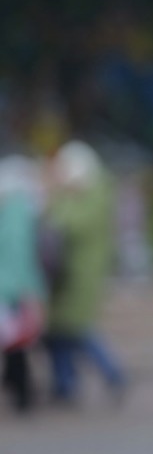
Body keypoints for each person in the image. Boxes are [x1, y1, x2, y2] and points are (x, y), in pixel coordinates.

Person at [41, 140, 127, 404]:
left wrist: (57, 197)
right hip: (64, 274)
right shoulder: (75, 193)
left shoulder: (94, 191)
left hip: (81, 273)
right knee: (58, 332)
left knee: (76, 328)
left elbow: (69, 223)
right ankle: (65, 384)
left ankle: (111, 373)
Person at [0, 154, 47, 412]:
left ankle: (22, 392)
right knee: (15, 343)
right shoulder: (23, 206)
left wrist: (21, 288)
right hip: (15, 285)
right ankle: (17, 386)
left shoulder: (15, 210)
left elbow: (17, 254)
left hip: (13, 287)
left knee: (16, 342)